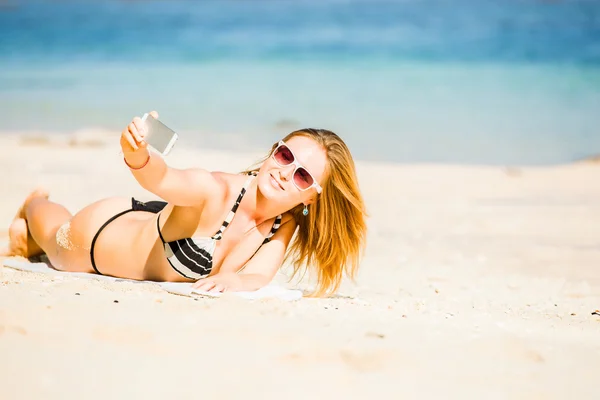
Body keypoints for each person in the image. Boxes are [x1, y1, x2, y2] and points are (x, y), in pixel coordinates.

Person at [3, 111, 367, 296]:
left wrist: (234, 283)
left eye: (303, 175)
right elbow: (164, 179)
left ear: (311, 197)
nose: (287, 172)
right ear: (273, 151)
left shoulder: (281, 223)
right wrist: (138, 154)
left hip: (147, 225)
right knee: (54, 234)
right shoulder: (216, 190)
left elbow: (259, 275)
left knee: (30, 243)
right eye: (285, 154)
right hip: (96, 238)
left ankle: (23, 240)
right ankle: (32, 204)